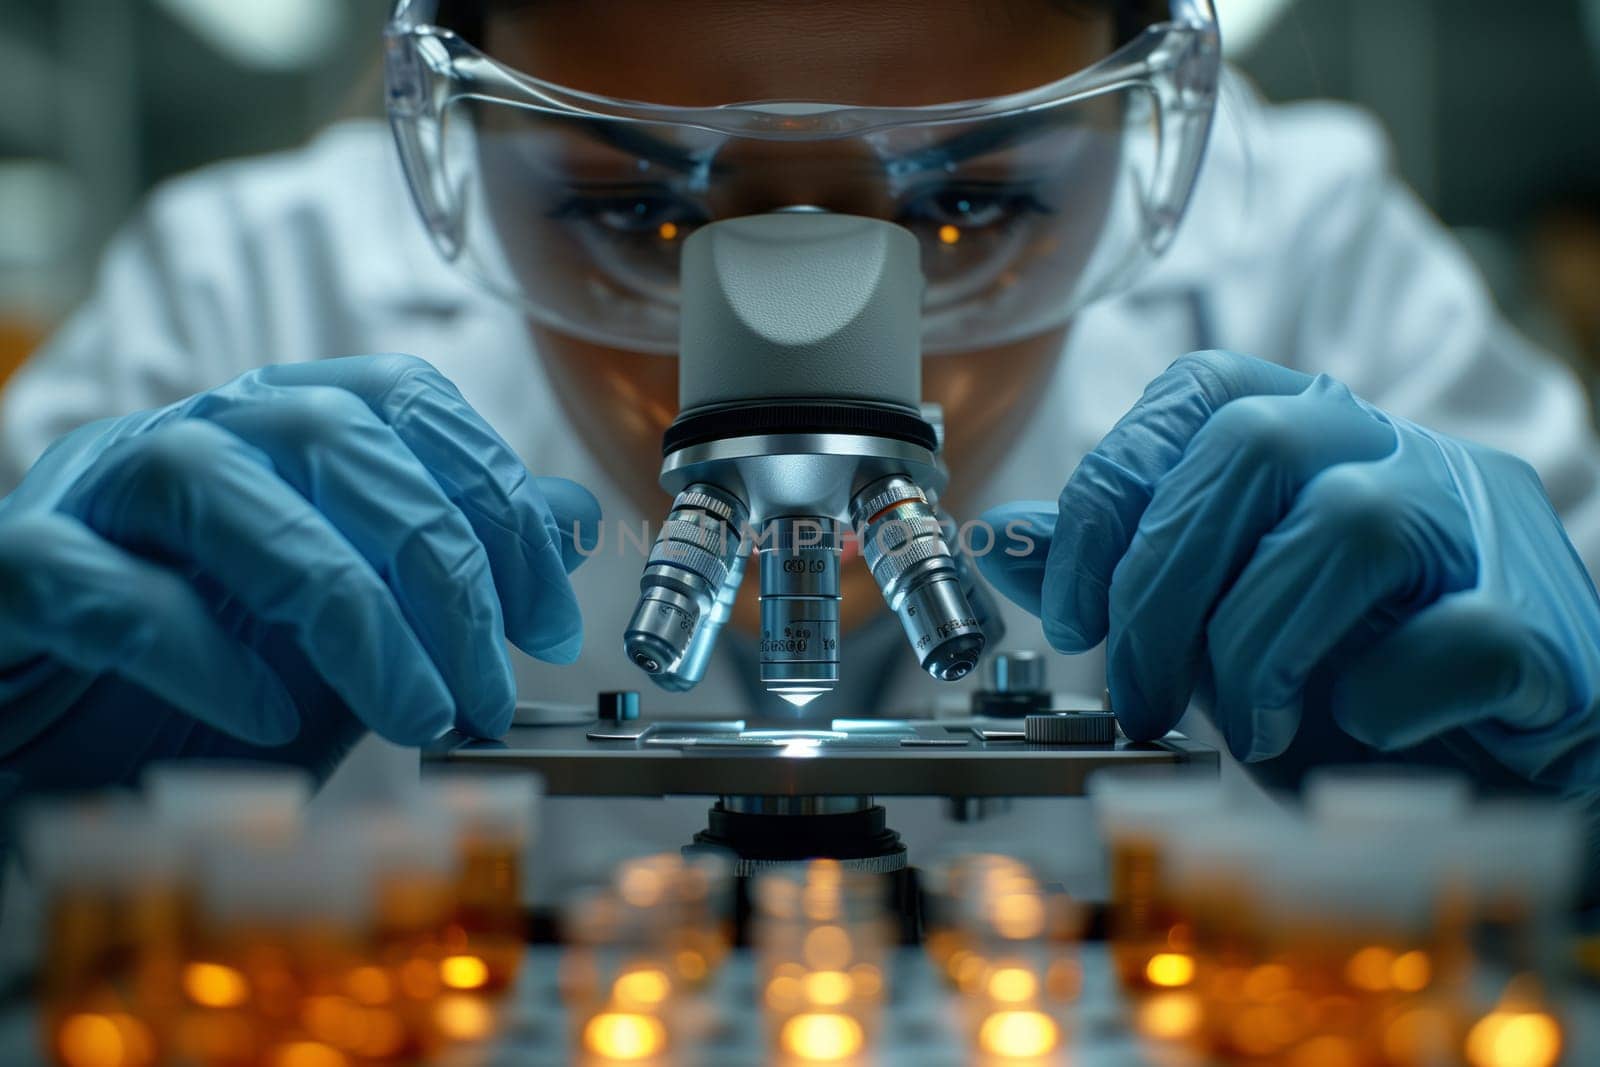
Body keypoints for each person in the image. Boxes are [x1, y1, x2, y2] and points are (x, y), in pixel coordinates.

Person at [2, 0, 1599, 858]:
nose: (796, 322)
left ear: (1139, 135)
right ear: (460, 137)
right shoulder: (240, 291)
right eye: (632, 211)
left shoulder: (1313, 260)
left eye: (972, 207)